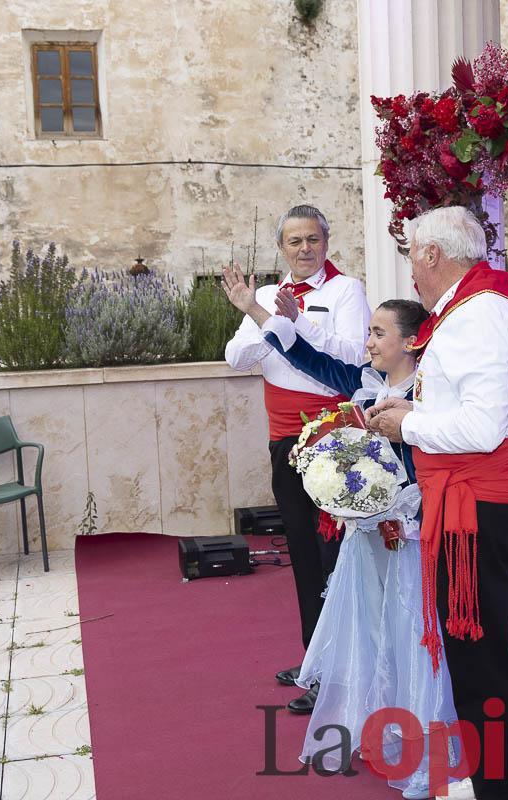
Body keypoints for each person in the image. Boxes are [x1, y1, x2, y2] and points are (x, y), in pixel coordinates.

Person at [367, 206, 508, 800]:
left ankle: (505, 790)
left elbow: (482, 428)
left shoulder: (477, 314)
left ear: (433, 254)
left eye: (412, 255)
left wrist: (408, 424)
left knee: (481, 660)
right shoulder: (475, 307)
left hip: (478, 502)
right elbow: (469, 411)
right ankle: (496, 780)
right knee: (475, 656)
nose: (411, 269)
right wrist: (414, 411)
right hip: (473, 500)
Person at [262, 293, 460, 799]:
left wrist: (397, 501)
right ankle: (382, 722)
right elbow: (315, 362)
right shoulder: (366, 383)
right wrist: (270, 322)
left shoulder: (429, 396)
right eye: (368, 332)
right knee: (370, 628)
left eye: (378, 333)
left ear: (410, 342)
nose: (368, 342)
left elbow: (430, 465)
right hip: (365, 534)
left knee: (409, 629)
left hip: (408, 534)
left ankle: (422, 740)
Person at [222, 205, 370, 714]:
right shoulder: (265, 296)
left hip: (334, 440)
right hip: (283, 441)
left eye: (312, 239)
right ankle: (316, 661)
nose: (304, 249)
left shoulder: (346, 291)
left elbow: (351, 356)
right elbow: (236, 358)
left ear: (326, 242)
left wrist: (293, 324)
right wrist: (259, 316)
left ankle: (342, 669)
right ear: (281, 248)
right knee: (303, 555)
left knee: (335, 555)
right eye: (294, 241)